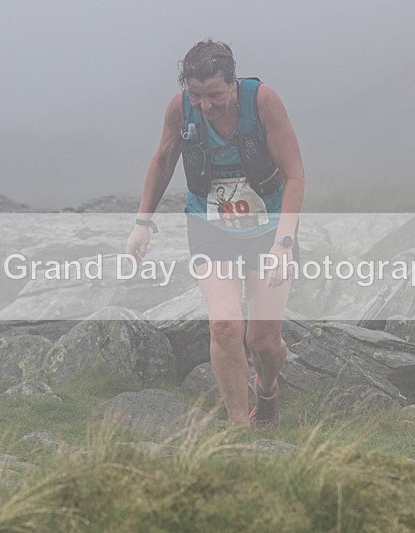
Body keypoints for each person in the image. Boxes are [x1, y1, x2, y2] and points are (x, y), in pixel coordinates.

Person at [126, 40, 304, 427]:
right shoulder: (180, 108)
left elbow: (295, 175)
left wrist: (284, 244)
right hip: (210, 225)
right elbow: (162, 161)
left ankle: (267, 388)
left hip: (268, 227)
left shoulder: (263, 102)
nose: (205, 105)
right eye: (196, 95)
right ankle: (241, 428)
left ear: (233, 82)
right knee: (224, 325)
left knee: (264, 343)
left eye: (215, 95)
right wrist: (142, 224)